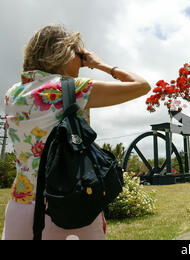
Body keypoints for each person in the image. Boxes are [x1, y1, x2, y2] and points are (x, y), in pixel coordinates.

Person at [2, 24, 151, 240]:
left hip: (20, 209)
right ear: (61, 53)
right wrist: (100, 65)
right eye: (77, 54)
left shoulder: (12, 94)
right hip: (68, 208)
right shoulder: (73, 88)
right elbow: (142, 85)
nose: (81, 61)